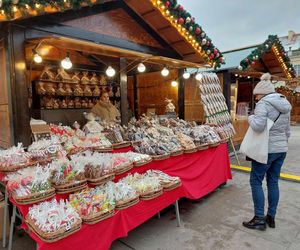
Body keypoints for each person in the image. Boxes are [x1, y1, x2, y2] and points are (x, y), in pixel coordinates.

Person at [242, 73, 291, 231]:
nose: (256, 99)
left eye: (256, 96)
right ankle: (271, 217)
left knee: (256, 181)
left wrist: (249, 117)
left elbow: (258, 126)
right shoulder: (285, 103)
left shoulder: (263, 104)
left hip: (266, 150)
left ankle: (259, 218)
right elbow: (287, 131)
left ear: (262, 93)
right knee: (273, 182)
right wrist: (281, 144)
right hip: (281, 149)